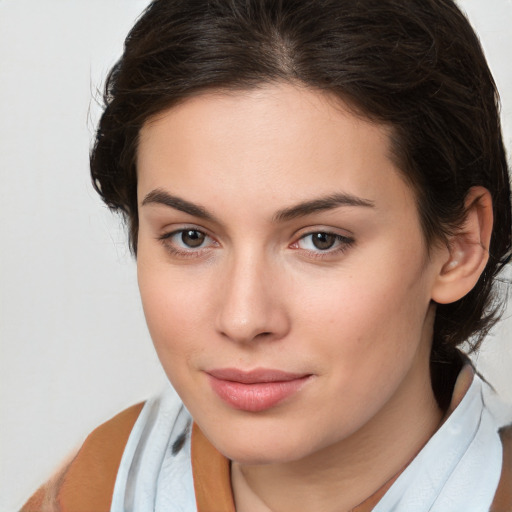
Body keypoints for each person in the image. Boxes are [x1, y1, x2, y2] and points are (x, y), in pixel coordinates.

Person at [22, 0, 512, 511]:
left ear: (458, 245)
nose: (243, 318)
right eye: (190, 236)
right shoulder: (90, 491)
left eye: (321, 239)